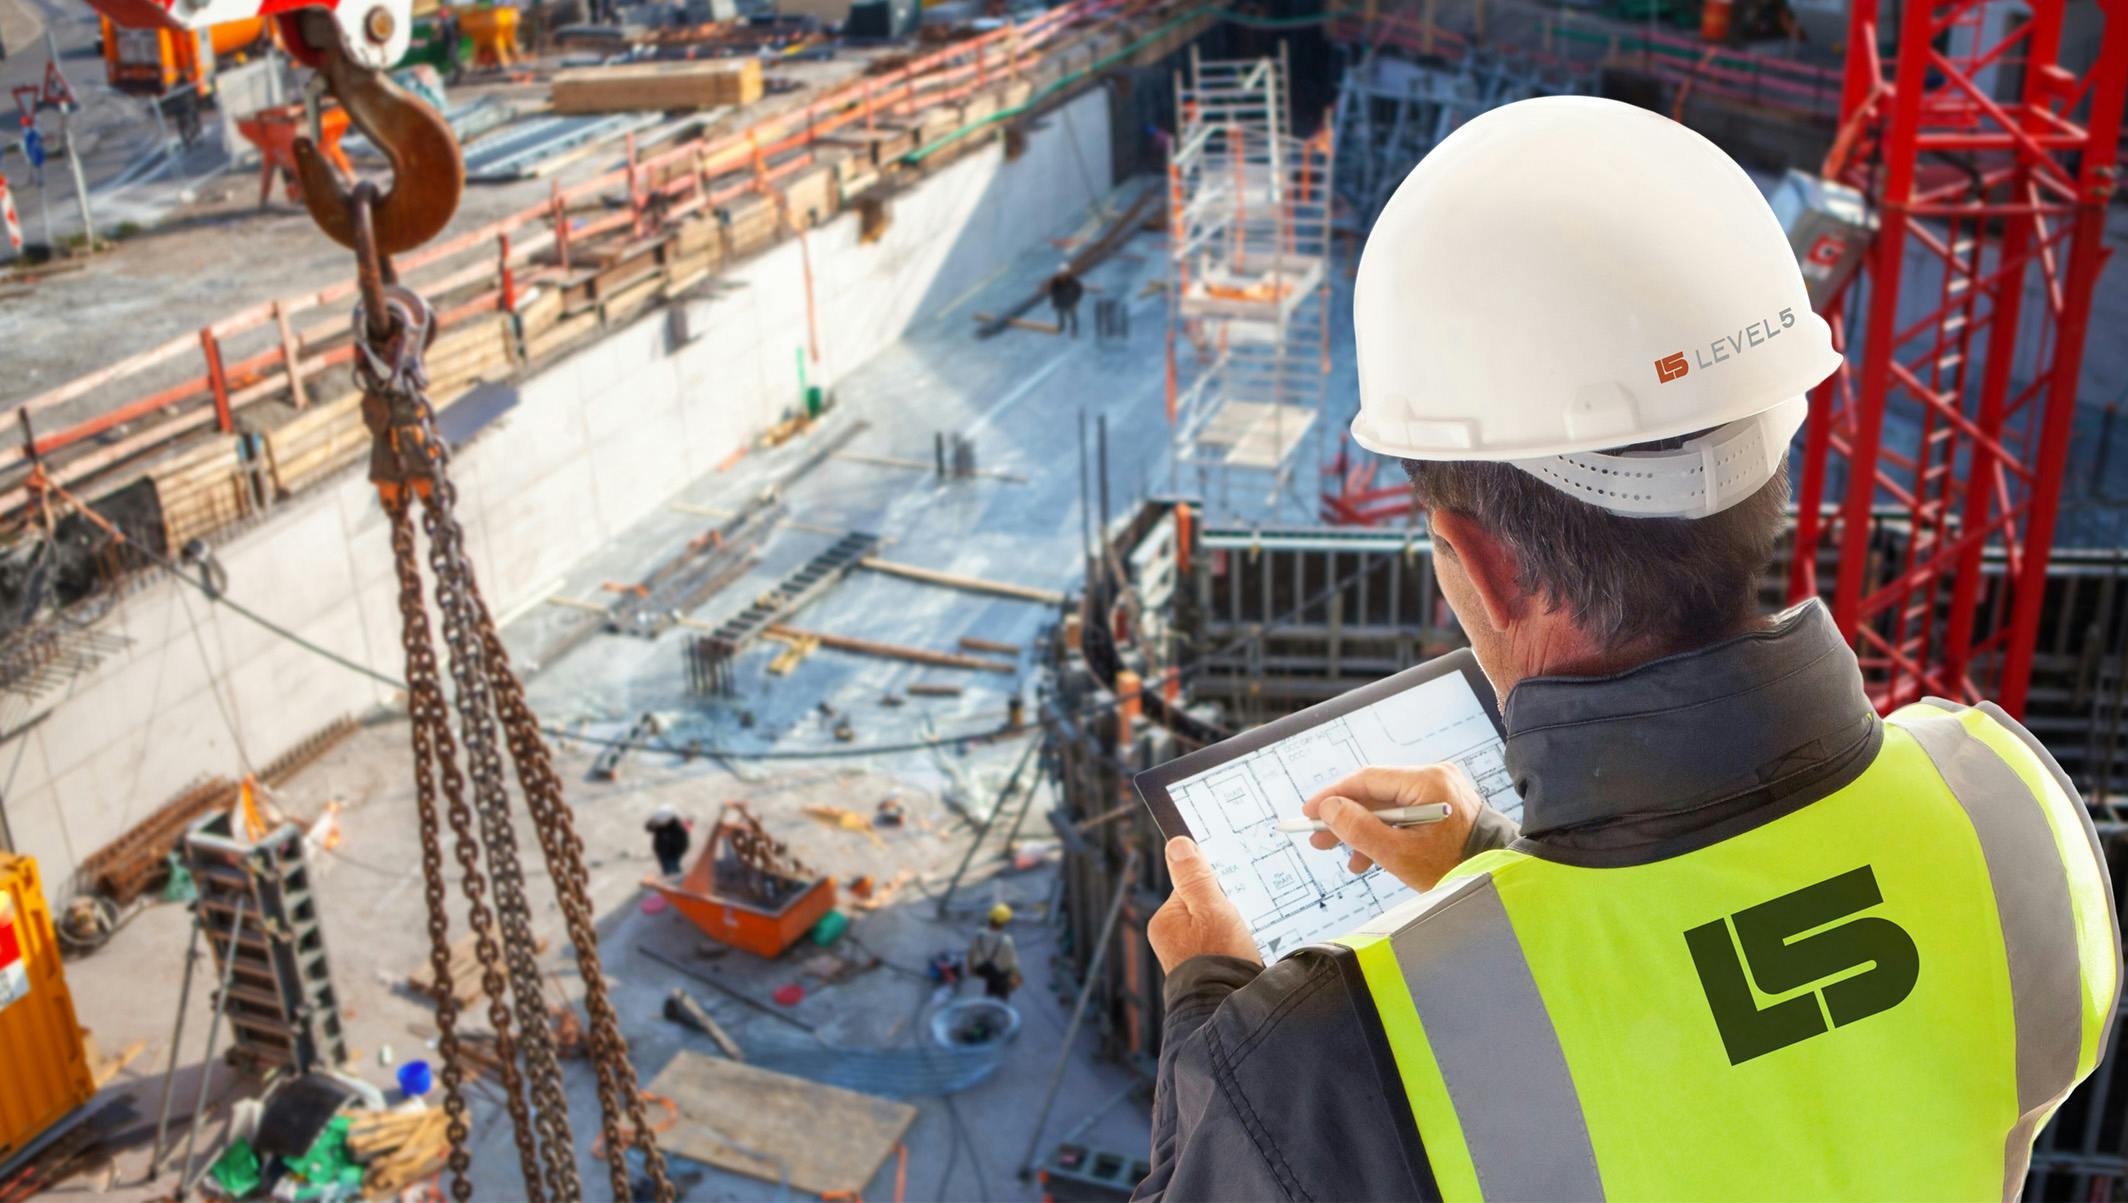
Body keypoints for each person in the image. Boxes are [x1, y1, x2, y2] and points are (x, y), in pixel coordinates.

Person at [1136, 96, 2121, 1202]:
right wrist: (1489, 874)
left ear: (1487, 564)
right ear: (1769, 453)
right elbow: (1769, 1086)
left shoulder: (1321, 1059)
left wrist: (1212, 1016)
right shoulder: (2011, 814)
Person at [967, 903, 1020, 999]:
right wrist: (1015, 978)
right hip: (997, 974)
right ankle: (998, 1005)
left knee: (991, 983)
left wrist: (971, 969)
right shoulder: (1006, 941)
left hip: (980, 969)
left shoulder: (979, 934)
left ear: (990, 918)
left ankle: (988, 995)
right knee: (1003, 980)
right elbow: (1012, 965)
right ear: (1004, 922)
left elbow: (971, 954)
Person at [645, 805, 691, 877]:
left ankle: (678, 879)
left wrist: (676, 854)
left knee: (673, 869)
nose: (659, 824)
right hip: (661, 850)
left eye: (660, 823)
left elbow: (684, 844)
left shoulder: (678, 829)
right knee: (666, 868)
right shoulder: (659, 823)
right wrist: (652, 823)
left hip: (673, 853)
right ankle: (669, 876)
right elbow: (648, 828)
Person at [1047, 267, 1084, 338]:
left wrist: (1076, 301)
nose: (1062, 276)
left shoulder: (1072, 281)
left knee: (1073, 318)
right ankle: (1062, 327)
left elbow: (1079, 290)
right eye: (1061, 274)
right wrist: (1054, 303)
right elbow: (1053, 293)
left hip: (1070, 302)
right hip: (1060, 303)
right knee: (1061, 316)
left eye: (1064, 274)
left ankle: (1074, 331)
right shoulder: (1055, 282)